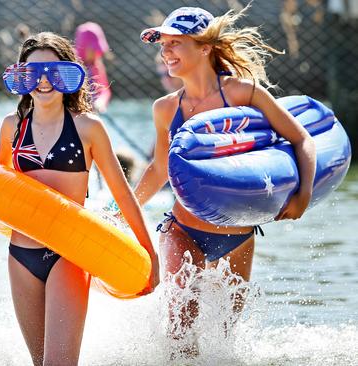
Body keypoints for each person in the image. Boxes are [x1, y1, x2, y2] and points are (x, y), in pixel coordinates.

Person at [0, 32, 158, 365]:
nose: (43, 80)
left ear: (68, 75)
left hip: (69, 255)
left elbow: (122, 194)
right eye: (33, 72)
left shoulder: (87, 128)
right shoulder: (13, 126)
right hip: (22, 257)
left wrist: (148, 252)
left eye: (52, 71)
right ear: (22, 77)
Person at [135, 6, 316, 355]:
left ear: (204, 47)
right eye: (163, 45)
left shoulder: (242, 93)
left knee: (223, 342)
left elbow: (300, 139)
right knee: (179, 334)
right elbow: (159, 169)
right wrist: (119, 208)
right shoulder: (165, 108)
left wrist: (303, 194)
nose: (166, 52)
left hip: (237, 234)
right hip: (183, 227)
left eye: (176, 43)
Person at [75, 22, 111, 113]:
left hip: (92, 111)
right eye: (91, 49)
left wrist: (101, 102)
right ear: (82, 47)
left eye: (97, 49)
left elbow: (105, 90)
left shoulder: (96, 66)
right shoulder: (73, 65)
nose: (94, 53)